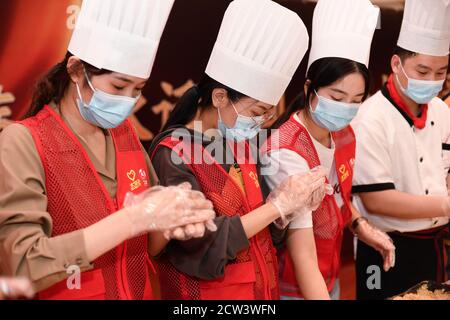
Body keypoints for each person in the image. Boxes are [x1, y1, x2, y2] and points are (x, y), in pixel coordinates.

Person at [0, 0, 216, 300]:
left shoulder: (124, 135)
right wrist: (132, 219)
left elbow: (148, 246)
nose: (128, 101)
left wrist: (171, 223)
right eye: (118, 87)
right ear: (76, 70)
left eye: (138, 89)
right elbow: (22, 264)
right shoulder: (23, 141)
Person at [148, 0, 330, 300]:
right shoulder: (173, 153)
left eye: (268, 113)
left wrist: (284, 209)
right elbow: (199, 244)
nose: (261, 121)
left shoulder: (243, 147)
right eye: (258, 110)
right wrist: (277, 207)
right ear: (220, 97)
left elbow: (258, 234)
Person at [260, 0, 395, 300]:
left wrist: (360, 225)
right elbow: (303, 254)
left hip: (329, 277)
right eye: (337, 96)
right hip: (293, 286)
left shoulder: (345, 134)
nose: (347, 109)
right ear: (310, 88)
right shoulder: (286, 151)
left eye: (356, 99)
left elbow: (338, 198)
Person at [351, 0, 450, 300]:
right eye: (422, 70)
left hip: (432, 246)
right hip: (384, 249)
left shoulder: (441, 111)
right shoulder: (371, 117)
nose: (432, 81)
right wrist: (445, 206)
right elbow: (378, 199)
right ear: (396, 64)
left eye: (441, 72)